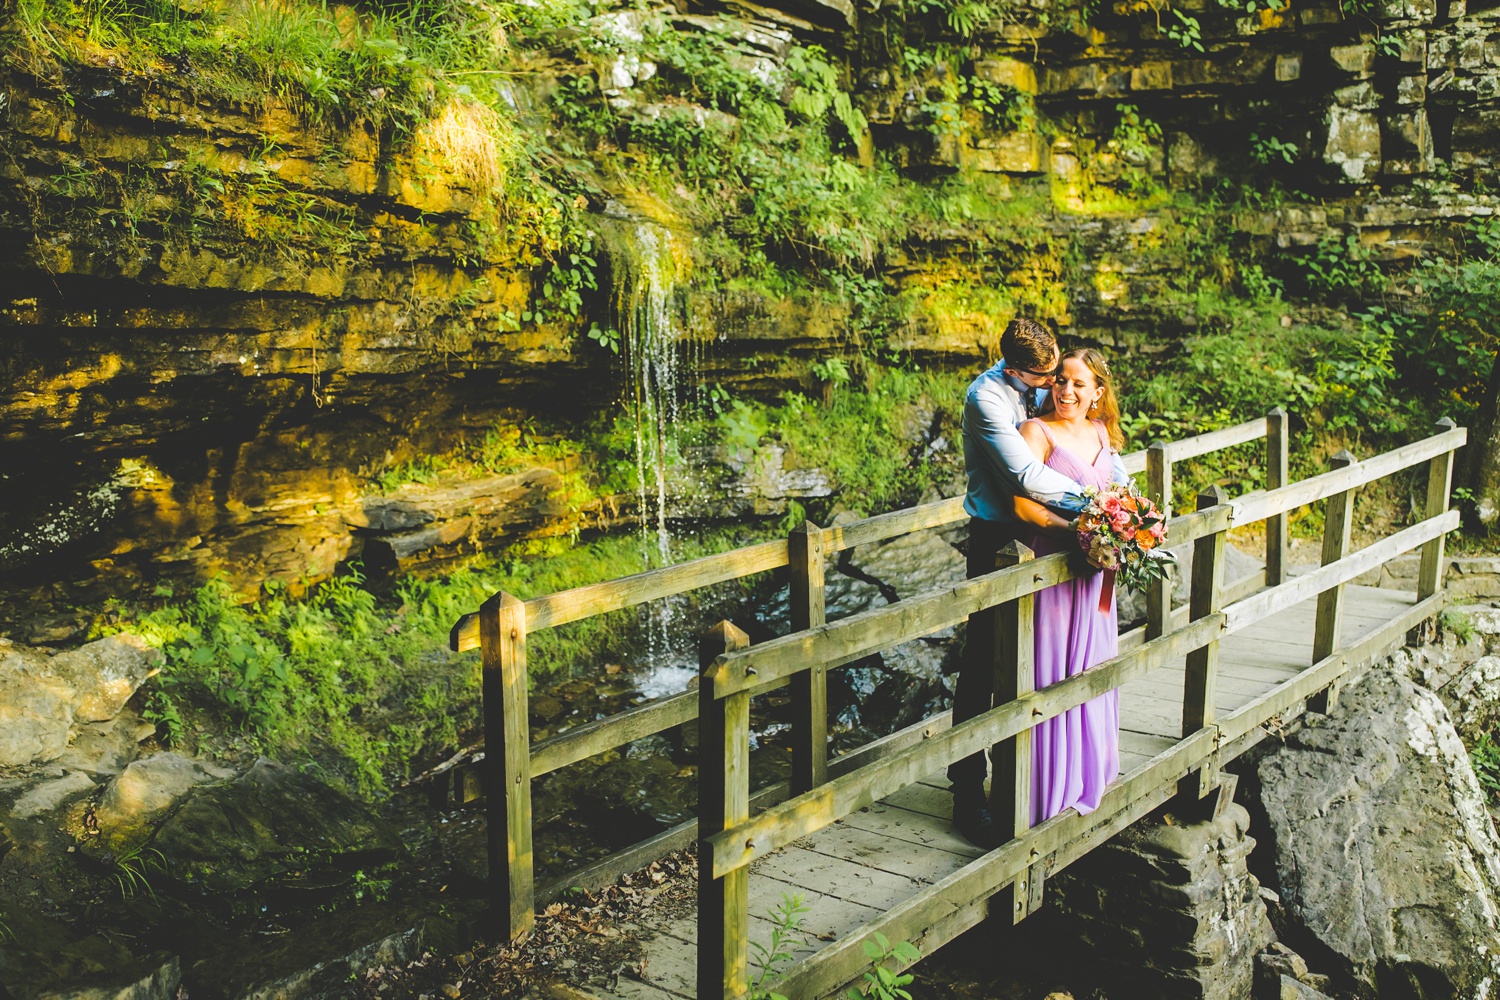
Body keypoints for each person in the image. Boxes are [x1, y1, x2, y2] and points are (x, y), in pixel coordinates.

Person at [949, 319, 1127, 848]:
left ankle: (1054, 768)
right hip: (999, 537)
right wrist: (1096, 511)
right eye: (1048, 377)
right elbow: (1025, 477)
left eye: (1063, 377)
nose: (1057, 387)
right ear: (1016, 369)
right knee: (985, 659)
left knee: (1055, 660)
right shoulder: (988, 401)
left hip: (1054, 540)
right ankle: (967, 792)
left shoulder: (1052, 399)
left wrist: (1116, 514)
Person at [1011, 348, 1130, 823]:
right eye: (1060, 380)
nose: (1066, 390)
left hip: (1095, 571)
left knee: (1093, 662)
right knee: (1053, 667)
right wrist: (1079, 530)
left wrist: (1128, 526)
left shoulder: (1102, 433)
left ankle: (1087, 771)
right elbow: (1021, 507)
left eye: (1079, 384)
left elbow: (1119, 493)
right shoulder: (1036, 433)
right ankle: (1047, 788)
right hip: (1054, 567)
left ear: (1098, 392)